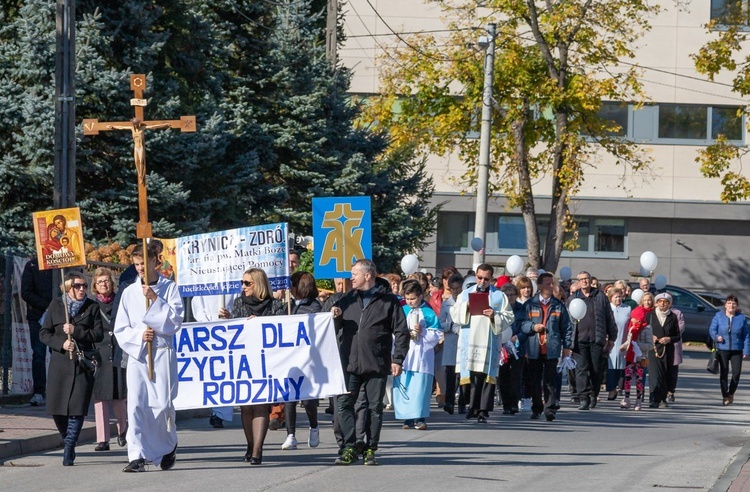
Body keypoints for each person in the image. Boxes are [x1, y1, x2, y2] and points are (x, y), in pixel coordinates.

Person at [330, 259, 410, 466]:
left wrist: (398, 358)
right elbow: (333, 329)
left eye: (354, 274)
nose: (351, 278)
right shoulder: (346, 299)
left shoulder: (389, 301)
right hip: (349, 362)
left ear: (367, 275)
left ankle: (370, 448)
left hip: (376, 363)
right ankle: (349, 447)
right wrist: (336, 317)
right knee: (344, 405)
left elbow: (401, 332)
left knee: (375, 408)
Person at [114, 243, 184, 472]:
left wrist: (155, 299)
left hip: (162, 354)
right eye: (136, 264)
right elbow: (120, 328)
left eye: (144, 263)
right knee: (136, 405)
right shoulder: (129, 292)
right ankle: (136, 456)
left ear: (156, 261)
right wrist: (139, 335)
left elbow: (174, 322)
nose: (140, 268)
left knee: (162, 406)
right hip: (139, 356)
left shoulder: (169, 288)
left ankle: (167, 446)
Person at [218, 268, 283, 464]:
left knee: (261, 405)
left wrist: (262, 323)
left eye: (248, 283)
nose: (243, 287)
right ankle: (249, 444)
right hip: (243, 361)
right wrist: (228, 320)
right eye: (242, 282)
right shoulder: (239, 303)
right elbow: (236, 331)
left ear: (259, 284)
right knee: (246, 406)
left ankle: (257, 450)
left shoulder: (275, 305)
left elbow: (281, 329)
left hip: (266, 362)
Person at [40, 272, 104, 466]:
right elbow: (44, 333)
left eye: (84, 285)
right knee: (57, 409)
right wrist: (61, 343)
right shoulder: (56, 305)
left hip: (82, 364)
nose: (82, 289)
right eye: (77, 286)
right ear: (68, 287)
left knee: (77, 409)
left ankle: (69, 446)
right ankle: (66, 436)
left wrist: (76, 332)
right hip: (60, 365)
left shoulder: (92, 307)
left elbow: (98, 334)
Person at [451, 263, 514, 423]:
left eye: (486, 279)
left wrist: (495, 315)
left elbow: (509, 317)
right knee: (471, 377)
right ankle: (471, 407)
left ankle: (483, 411)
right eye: (479, 278)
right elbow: (455, 315)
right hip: (469, 340)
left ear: (491, 279)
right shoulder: (465, 294)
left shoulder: (499, 296)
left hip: (488, 342)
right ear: (476, 276)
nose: (482, 281)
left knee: (486, 378)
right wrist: (466, 307)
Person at [521, 273, 573, 421]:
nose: (552, 286)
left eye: (553, 284)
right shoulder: (530, 304)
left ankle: (550, 409)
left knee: (550, 381)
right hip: (533, 349)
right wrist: (533, 326)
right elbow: (522, 324)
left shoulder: (558, 305)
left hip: (552, 349)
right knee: (535, 381)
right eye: (548, 284)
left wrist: (567, 347)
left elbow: (567, 328)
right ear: (540, 286)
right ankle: (536, 408)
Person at [280, 271, 322, 450]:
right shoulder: (288, 307)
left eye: (293, 285)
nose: (290, 288)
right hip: (290, 359)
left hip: (308, 360)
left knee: (306, 399)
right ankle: (291, 435)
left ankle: (314, 426)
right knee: (289, 397)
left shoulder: (314, 307)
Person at [567, 271, 617, 410]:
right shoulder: (573, 299)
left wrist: (612, 338)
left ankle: (594, 394)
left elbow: (609, 317)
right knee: (581, 369)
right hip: (579, 340)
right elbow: (567, 322)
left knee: (596, 369)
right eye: (581, 279)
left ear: (591, 280)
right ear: (578, 282)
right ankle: (583, 397)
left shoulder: (600, 296)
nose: (584, 281)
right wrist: (567, 342)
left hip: (596, 339)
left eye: (586, 279)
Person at [395, 279, 441, 430]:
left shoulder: (428, 312)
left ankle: (420, 418)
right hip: (406, 353)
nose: (410, 302)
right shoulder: (402, 310)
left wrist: (423, 331)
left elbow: (437, 333)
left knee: (420, 388)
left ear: (421, 295)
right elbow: (394, 330)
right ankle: (407, 418)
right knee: (405, 386)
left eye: (413, 298)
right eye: (407, 299)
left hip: (421, 355)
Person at [91, 267, 128, 451]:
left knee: (119, 397)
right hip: (100, 354)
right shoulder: (91, 306)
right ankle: (102, 439)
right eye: (99, 282)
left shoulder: (120, 302)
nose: (103, 284)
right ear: (95, 286)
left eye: (106, 281)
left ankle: (122, 431)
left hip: (119, 351)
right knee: (100, 398)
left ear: (112, 283)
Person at [190, 293, 238, 429]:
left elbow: (237, 303)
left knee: (226, 372)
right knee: (212, 371)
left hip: (229, 330)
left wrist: (230, 316)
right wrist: (209, 321)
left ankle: (220, 414)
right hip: (208, 330)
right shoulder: (203, 285)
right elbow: (198, 307)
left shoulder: (231, 286)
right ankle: (214, 410)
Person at [21, 257, 53, 406]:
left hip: (58, 316)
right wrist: (46, 306)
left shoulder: (61, 266)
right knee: (39, 354)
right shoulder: (32, 265)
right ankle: (39, 392)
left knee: (60, 354)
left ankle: (56, 390)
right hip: (37, 316)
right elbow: (26, 292)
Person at [709, 295, 750, 406]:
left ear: (737, 306)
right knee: (724, 372)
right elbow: (712, 329)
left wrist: (746, 350)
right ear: (725, 305)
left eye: (734, 303)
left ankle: (731, 392)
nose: (731, 305)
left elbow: (746, 335)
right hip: (722, 349)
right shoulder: (718, 316)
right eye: (729, 303)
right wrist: (717, 337)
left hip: (737, 349)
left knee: (736, 374)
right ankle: (725, 396)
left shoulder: (741, 318)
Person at [619, 292, 655, 410]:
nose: (633, 320)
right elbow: (629, 340)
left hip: (641, 357)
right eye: (632, 318)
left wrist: (638, 345)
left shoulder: (647, 328)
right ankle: (627, 398)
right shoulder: (632, 328)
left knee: (639, 380)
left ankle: (638, 400)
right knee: (628, 378)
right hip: (630, 356)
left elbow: (650, 345)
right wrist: (623, 346)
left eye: (636, 319)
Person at [647, 292, 680, 409]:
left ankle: (662, 398)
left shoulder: (673, 317)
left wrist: (669, 339)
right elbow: (643, 331)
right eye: (660, 302)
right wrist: (650, 336)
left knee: (666, 374)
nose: (662, 304)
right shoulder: (650, 315)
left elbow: (677, 336)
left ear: (669, 304)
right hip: (653, 349)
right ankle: (653, 398)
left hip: (667, 349)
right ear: (656, 303)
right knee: (655, 374)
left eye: (665, 302)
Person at [497, 282, 526, 416]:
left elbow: (526, 327)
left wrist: (518, 336)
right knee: (503, 377)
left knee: (516, 377)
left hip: (518, 347)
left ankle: (514, 403)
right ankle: (506, 404)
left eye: (512, 295)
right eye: (507, 295)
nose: (509, 297)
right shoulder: (499, 309)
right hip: (502, 347)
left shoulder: (522, 309)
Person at [438, 273, 463, 415]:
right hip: (450, 341)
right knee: (450, 374)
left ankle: (462, 403)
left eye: (458, 288)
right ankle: (449, 401)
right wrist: (450, 325)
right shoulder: (446, 303)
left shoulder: (466, 302)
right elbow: (440, 323)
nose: (456, 291)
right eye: (453, 289)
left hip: (463, 340)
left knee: (462, 375)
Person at [606, 288, 631, 400]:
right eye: (616, 297)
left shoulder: (627, 308)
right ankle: (611, 389)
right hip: (610, 340)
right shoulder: (607, 309)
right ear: (611, 298)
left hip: (623, 339)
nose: (618, 299)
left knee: (621, 364)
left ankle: (620, 387)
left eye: (620, 296)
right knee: (610, 365)